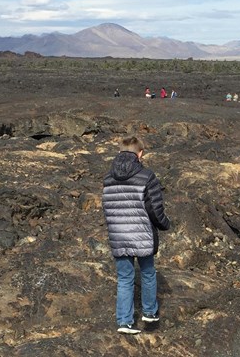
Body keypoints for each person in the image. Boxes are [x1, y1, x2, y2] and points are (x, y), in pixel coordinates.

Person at [102, 136, 171, 335]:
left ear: (119, 152)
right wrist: (165, 224)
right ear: (140, 153)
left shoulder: (108, 178)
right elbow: (155, 208)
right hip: (142, 234)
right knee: (148, 272)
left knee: (125, 278)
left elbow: (107, 208)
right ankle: (149, 312)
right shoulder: (146, 176)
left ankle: (124, 321)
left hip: (118, 235)